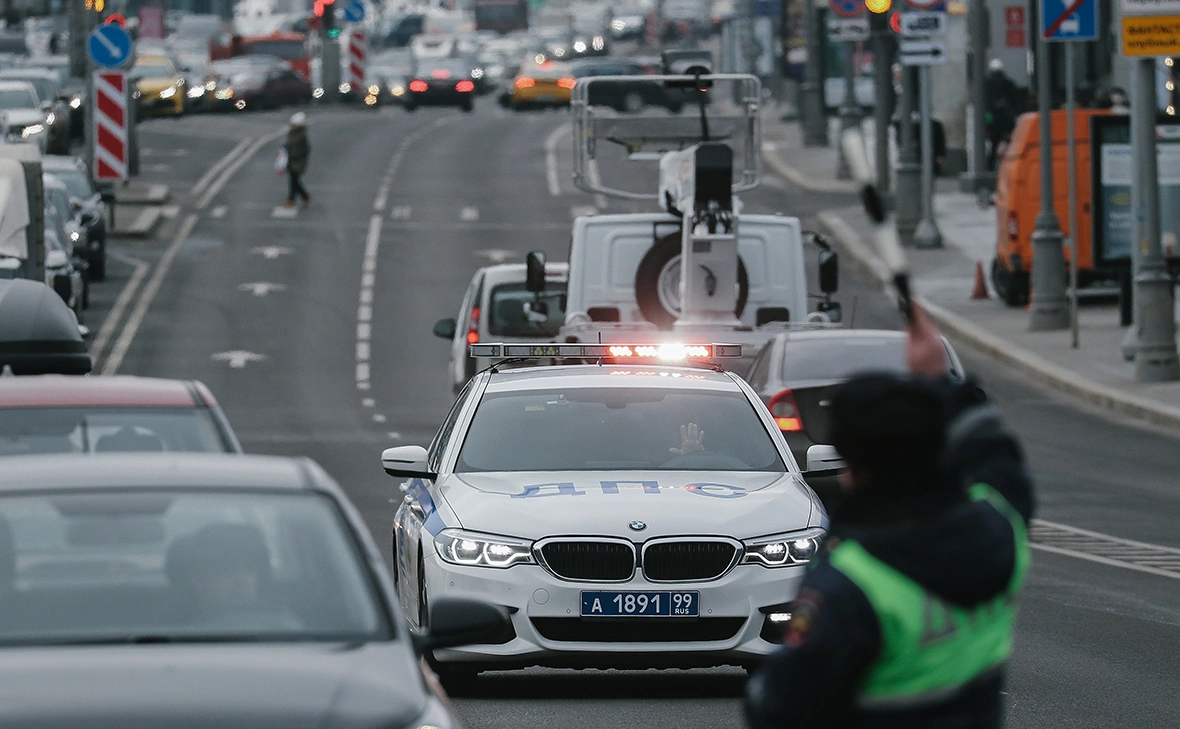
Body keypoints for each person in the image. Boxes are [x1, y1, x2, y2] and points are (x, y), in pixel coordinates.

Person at [745, 305, 1034, 729]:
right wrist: (939, 382)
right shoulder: (1001, 531)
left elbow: (778, 706)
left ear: (852, 465)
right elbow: (995, 454)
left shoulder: (851, 582)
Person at [167, 522, 302, 631]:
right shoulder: (170, 632)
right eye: (229, 571)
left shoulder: (284, 625)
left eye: (250, 569)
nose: (245, 581)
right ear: (198, 578)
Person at [284, 112, 311, 208]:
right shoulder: (291, 133)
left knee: (294, 180)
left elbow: (306, 149)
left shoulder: (302, 135)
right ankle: (305, 196)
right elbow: (289, 143)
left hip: (299, 161)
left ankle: (291, 199)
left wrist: (295, 155)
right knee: (294, 180)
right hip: (290, 159)